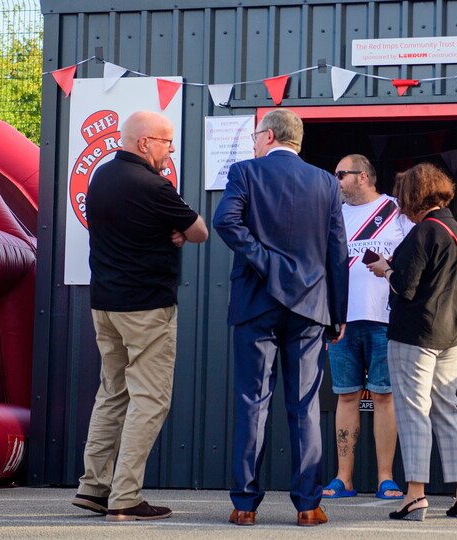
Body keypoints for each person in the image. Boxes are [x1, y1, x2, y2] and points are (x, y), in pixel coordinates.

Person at [212, 109, 348, 527]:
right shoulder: (326, 182)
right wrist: (338, 313)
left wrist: (264, 261)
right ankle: (308, 506)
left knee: (253, 402)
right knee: (305, 406)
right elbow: (337, 252)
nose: (253, 142)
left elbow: (224, 221)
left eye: (256, 135)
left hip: (256, 301)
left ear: (268, 136)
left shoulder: (246, 172)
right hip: (310, 307)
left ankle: (244, 506)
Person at [73, 110, 208, 522]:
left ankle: (93, 487)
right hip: (147, 307)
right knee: (149, 400)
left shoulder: (101, 177)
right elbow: (200, 230)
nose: (171, 150)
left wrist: (173, 229)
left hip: (105, 305)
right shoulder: (154, 186)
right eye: (167, 141)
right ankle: (125, 496)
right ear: (144, 142)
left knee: (112, 394)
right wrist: (181, 232)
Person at [367, 162, 457, 521]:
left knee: (414, 411)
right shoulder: (456, 230)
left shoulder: (423, 233)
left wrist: (386, 270)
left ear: (413, 196)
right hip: (454, 332)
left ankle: (415, 495)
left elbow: (404, 286)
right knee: (448, 410)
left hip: (416, 333)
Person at [321, 154, 410, 501]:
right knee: (346, 396)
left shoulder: (397, 209)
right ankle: (344, 478)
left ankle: (386, 477)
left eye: (341, 174)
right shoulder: (334, 214)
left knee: (385, 397)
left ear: (363, 177)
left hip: (387, 318)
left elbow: (419, 256)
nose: (336, 180)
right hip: (342, 320)